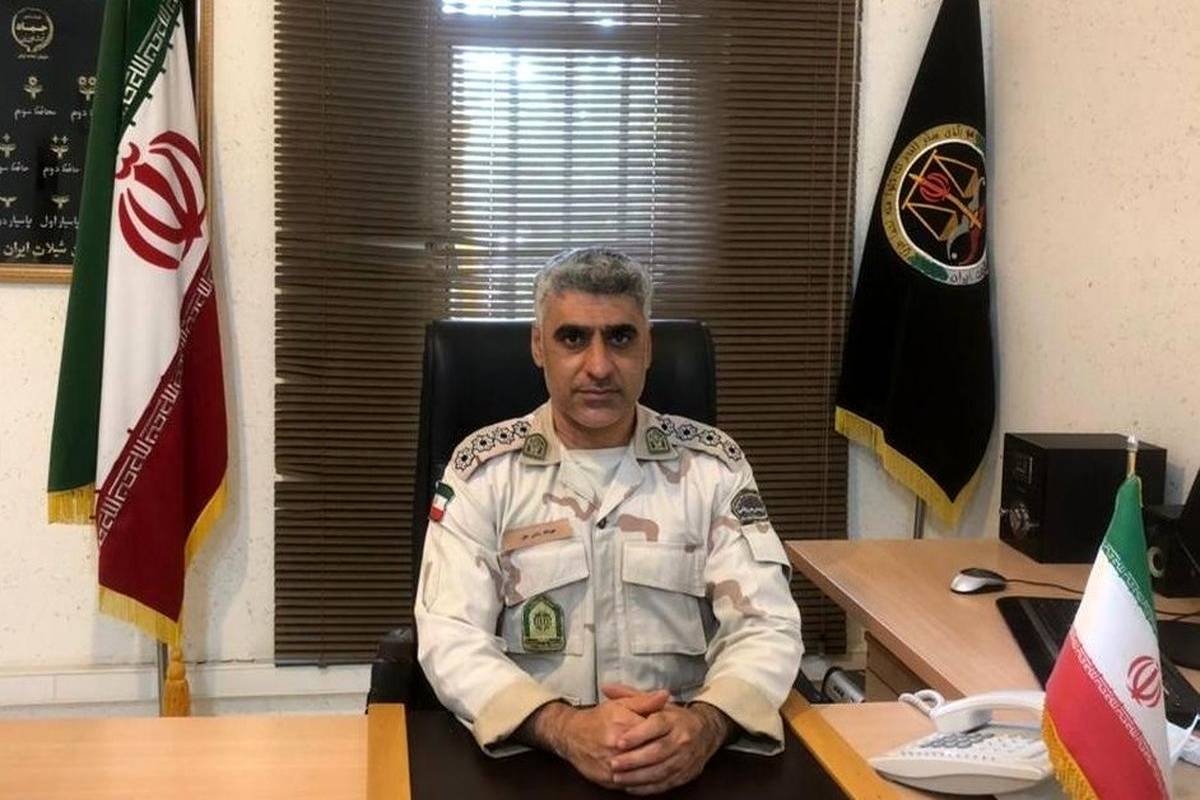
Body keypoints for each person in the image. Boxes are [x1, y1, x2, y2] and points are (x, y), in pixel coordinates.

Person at [415, 246, 803, 794]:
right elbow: (449, 635)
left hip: (686, 761)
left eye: (620, 338)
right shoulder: (484, 473)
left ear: (648, 347)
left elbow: (768, 624)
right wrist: (563, 727)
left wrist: (706, 725)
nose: (598, 366)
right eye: (573, 338)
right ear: (538, 346)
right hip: (533, 762)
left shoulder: (712, 470)